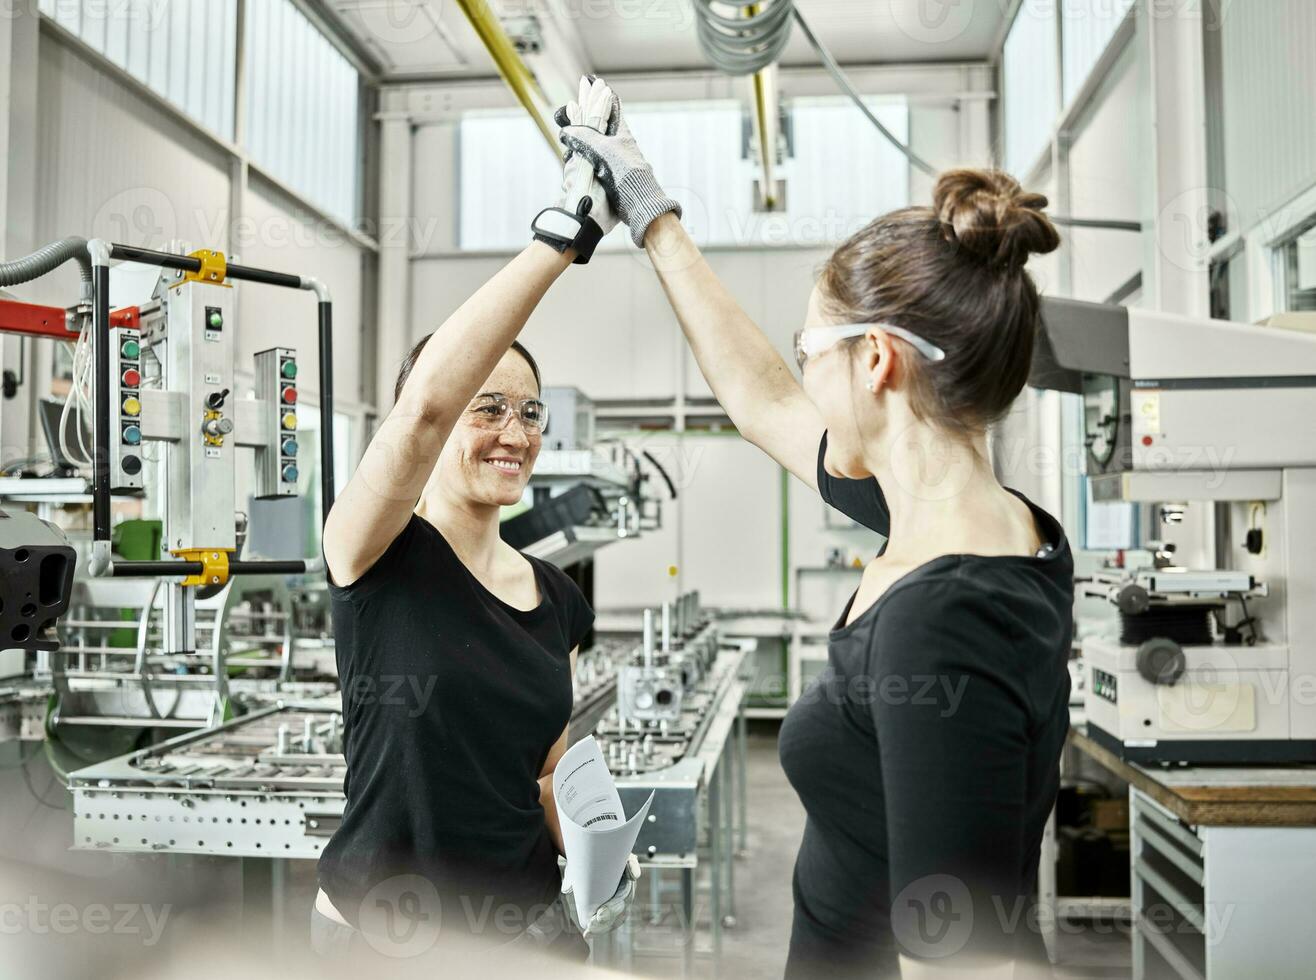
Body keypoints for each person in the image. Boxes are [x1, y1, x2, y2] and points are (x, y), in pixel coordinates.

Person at [559, 78, 1073, 977]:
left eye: (811, 352)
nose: (801, 375)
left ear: (875, 359)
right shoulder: (987, 527)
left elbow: (965, 963)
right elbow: (760, 402)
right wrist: (647, 207)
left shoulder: (939, 617)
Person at [312, 79, 633, 961]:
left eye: (530, 413)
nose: (514, 434)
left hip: (529, 932)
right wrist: (564, 233)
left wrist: (593, 847)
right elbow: (417, 416)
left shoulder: (558, 598)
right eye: (486, 407)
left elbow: (541, 771)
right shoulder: (372, 554)